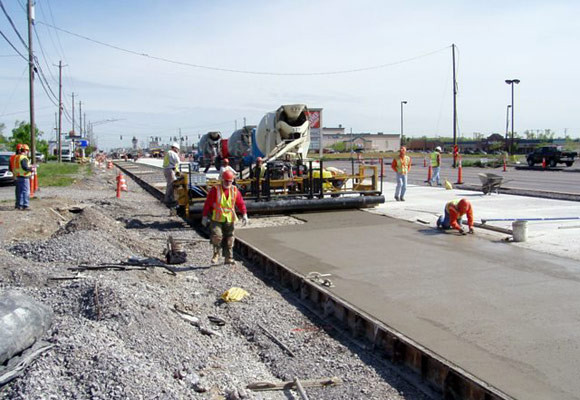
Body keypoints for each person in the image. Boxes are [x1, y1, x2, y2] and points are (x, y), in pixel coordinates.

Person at [201, 170, 248, 265]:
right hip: (217, 218)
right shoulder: (215, 190)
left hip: (229, 219)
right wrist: (205, 216)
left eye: (230, 181)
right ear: (222, 180)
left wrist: (244, 214)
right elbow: (207, 203)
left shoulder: (234, 190)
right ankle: (216, 254)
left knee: (230, 238)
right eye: (226, 181)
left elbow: (240, 203)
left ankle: (228, 258)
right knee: (217, 236)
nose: (228, 183)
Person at [13, 144, 35, 211]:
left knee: (19, 191)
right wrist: (31, 169)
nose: (28, 152)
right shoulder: (23, 158)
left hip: (18, 176)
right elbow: (24, 167)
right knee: (25, 191)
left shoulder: (17, 157)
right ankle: (25, 205)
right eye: (27, 151)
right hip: (24, 176)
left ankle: (19, 205)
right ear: (25, 151)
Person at [9, 144, 23, 209]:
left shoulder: (12, 157)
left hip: (15, 175)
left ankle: (17, 204)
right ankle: (20, 204)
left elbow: (10, 168)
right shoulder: (21, 157)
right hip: (21, 175)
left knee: (18, 190)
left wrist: (13, 173)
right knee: (22, 190)